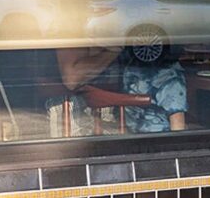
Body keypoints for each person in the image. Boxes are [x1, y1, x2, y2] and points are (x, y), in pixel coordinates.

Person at [53, 41, 188, 133]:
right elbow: (71, 79)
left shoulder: (161, 75)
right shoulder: (171, 78)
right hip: (88, 121)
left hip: (125, 128)